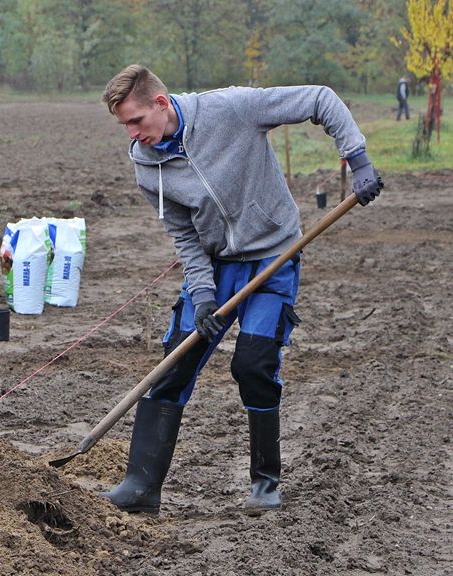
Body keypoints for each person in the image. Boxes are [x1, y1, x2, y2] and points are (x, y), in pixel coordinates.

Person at [100, 65, 383, 514]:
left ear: (161, 103)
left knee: (253, 365)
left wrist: (358, 159)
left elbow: (319, 98)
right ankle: (140, 486)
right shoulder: (146, 163)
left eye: (136, 120)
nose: (132, 134)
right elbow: (184, 235)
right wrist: (203, 294)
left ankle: (265, 484)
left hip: (273, 259)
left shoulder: (232, 108)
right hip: (215, 265)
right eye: (124, 126)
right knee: (174, 364)